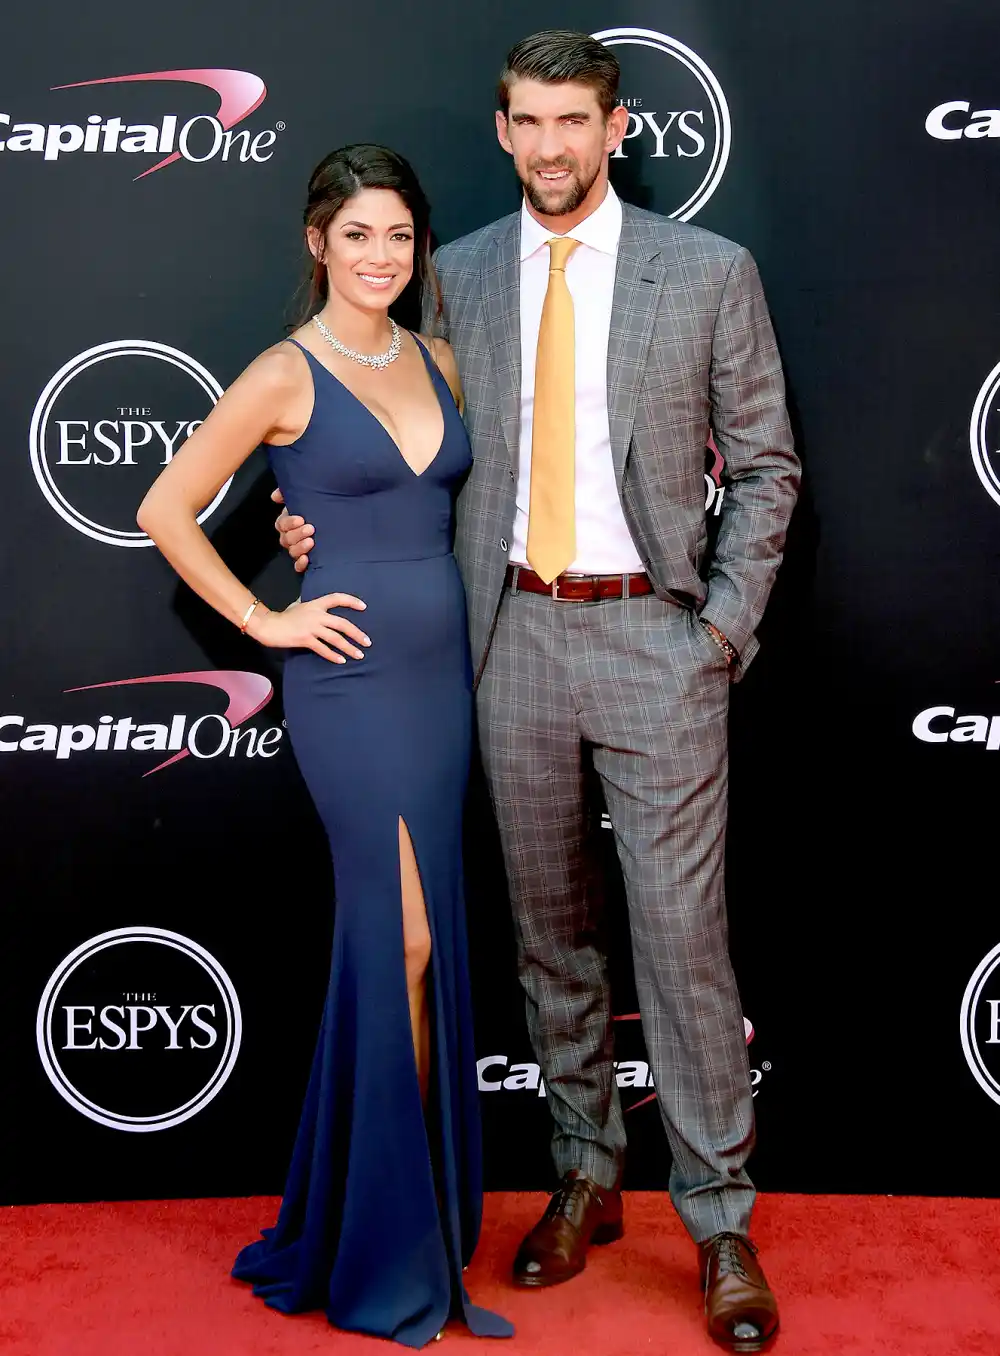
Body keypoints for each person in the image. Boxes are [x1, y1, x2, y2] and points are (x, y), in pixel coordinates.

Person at [277, 30, 801, 1353]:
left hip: (653, 643)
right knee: (548, 929)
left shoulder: (709, 272)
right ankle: (583, 1170)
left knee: (681, 939)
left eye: (577, 120)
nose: (554, 146)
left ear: (615, 125)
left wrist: (721, 634)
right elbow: (402, 442)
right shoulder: (452, 279)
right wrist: (312, 536)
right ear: (504, 133)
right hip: (502, 640)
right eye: (530, 122)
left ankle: (720, 1219)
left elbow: (769, 466)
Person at [136, 143, 513, 1349]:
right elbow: (163, 507)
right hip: (345, 686)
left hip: (441, 685)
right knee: (396, 936)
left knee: (427, 940)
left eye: (399, 237)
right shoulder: (281, 375)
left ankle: (396, 1218)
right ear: (317, 243)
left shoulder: (440, 357)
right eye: (357, 235)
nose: (380, 257)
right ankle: (383, 1245)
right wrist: (264, 617)